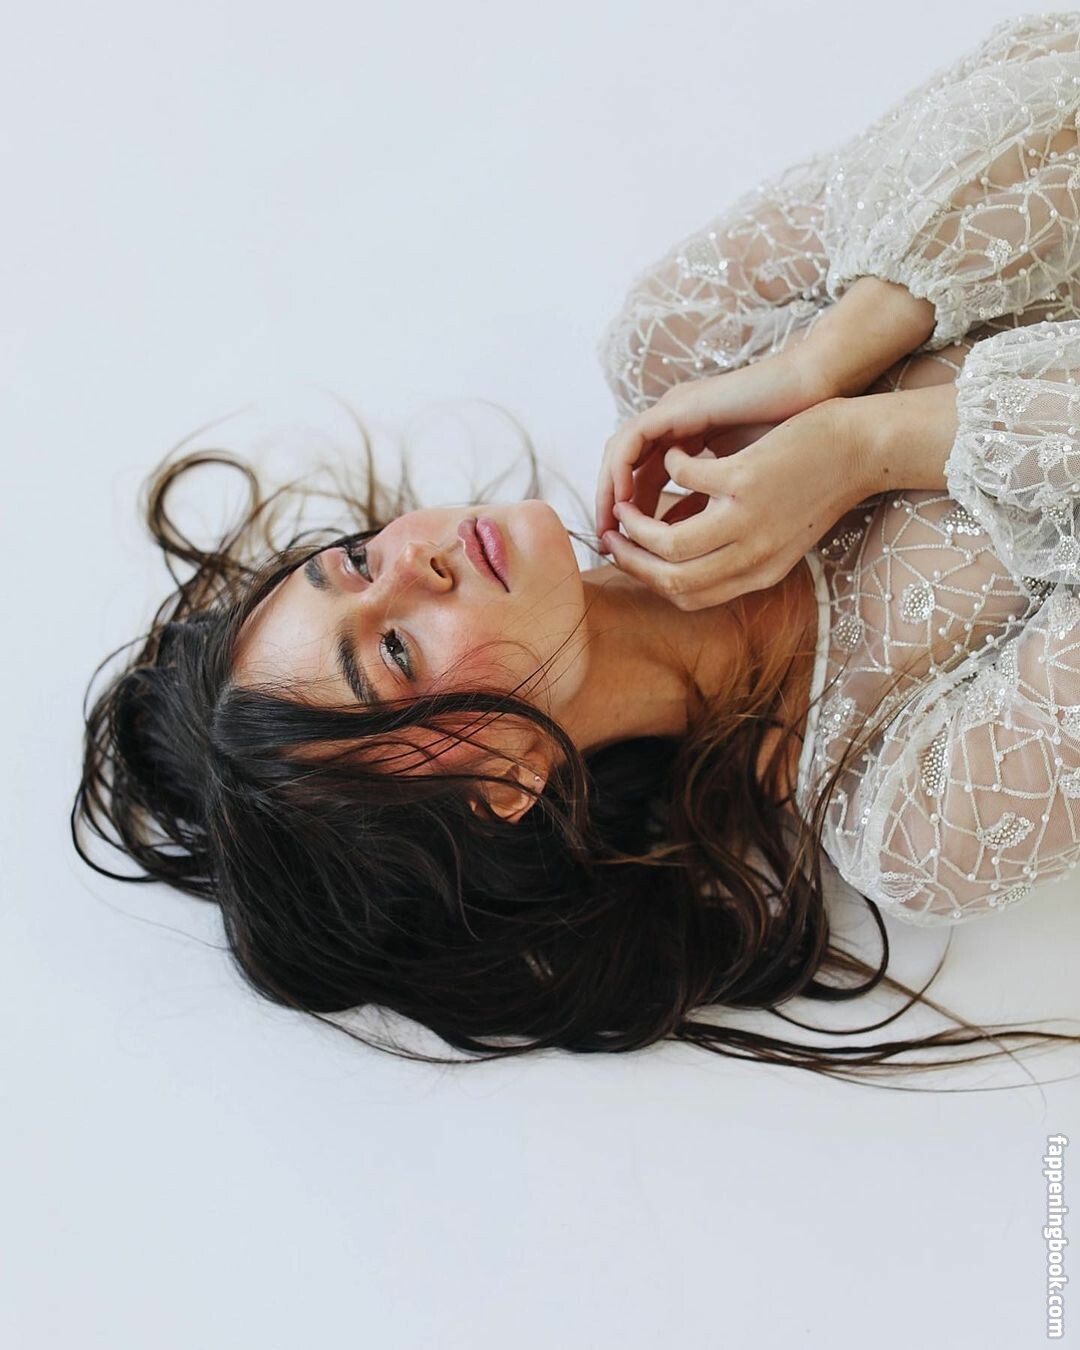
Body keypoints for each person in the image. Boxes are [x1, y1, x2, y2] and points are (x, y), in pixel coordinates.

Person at [73, 13, 1080, 1084]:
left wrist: (824, 360)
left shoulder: (684, 340)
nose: (414, 564)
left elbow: (1057, 79)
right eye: (397, 651)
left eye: (358, 563)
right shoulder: (917, 809)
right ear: (503, 783)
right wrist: (863, 446)